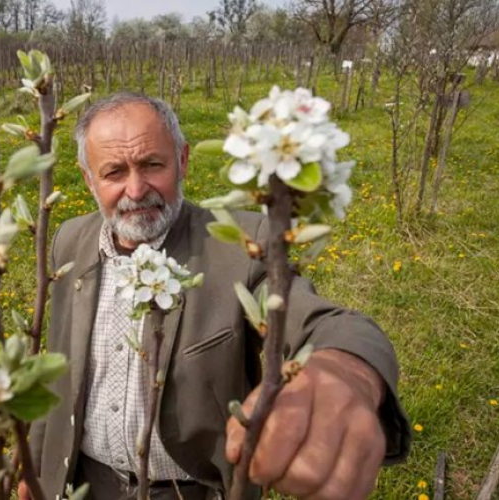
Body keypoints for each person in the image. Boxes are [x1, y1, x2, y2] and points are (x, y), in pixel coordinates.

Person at [21, 92, 410, 500]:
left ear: (183, 160)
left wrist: (346, 372)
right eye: (114, 172)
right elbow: (59, 365)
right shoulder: (69, 240)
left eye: (153, 164)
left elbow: (326, 324)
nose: (136, 190)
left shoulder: (241, 243)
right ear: (88, 180)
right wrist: (35, 464)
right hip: (85, 484)